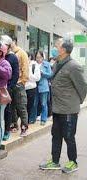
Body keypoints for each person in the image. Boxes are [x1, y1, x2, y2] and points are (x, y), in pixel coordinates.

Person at [39, 38, 87, 173]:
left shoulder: (73, 66)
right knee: (56, 135)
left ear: (64, 50)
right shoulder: (57, 63)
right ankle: (55, 161)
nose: (55, 47)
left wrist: (76, 102)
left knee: (69, 136)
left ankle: (73, 161)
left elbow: (83, 87)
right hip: (57, 108)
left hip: (68, 109)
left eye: (57, 46)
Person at [0, 35, 19, 141]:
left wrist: (10, 87)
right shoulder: (0, 56)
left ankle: (7, 130)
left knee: (8, 110)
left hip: (8, 88)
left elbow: (16, 75)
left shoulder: (13, 57)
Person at [10, 37, 29, 136]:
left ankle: (24, 127)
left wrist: (22, 82)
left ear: (14, 42)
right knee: (12, 106)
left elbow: (25, 69)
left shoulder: (22, 53)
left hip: (19, 83)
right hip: (11, 84)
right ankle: (14, 125)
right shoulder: (8, 54)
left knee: (21, 106)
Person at [32, 51, 52, 125]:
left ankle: (43, 119)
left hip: (43, 86)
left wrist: (43, 73)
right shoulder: (33, 64)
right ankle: (32, 118)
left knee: (43, 103)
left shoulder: (46, 64)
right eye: (37, 57)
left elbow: (50, 75)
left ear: (43, 57)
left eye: (40, 57)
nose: (38, 59)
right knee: (34, 103)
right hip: (34, 86)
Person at [25, 51, 41, 124]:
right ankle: (24, 121)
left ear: (29, 57)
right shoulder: (22, 64)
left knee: (30, 105)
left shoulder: (34, 65)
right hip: (23, 88)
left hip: (31, 88)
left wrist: (28, 75)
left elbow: (37, 78)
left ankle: (27, 121)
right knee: (22, 106)